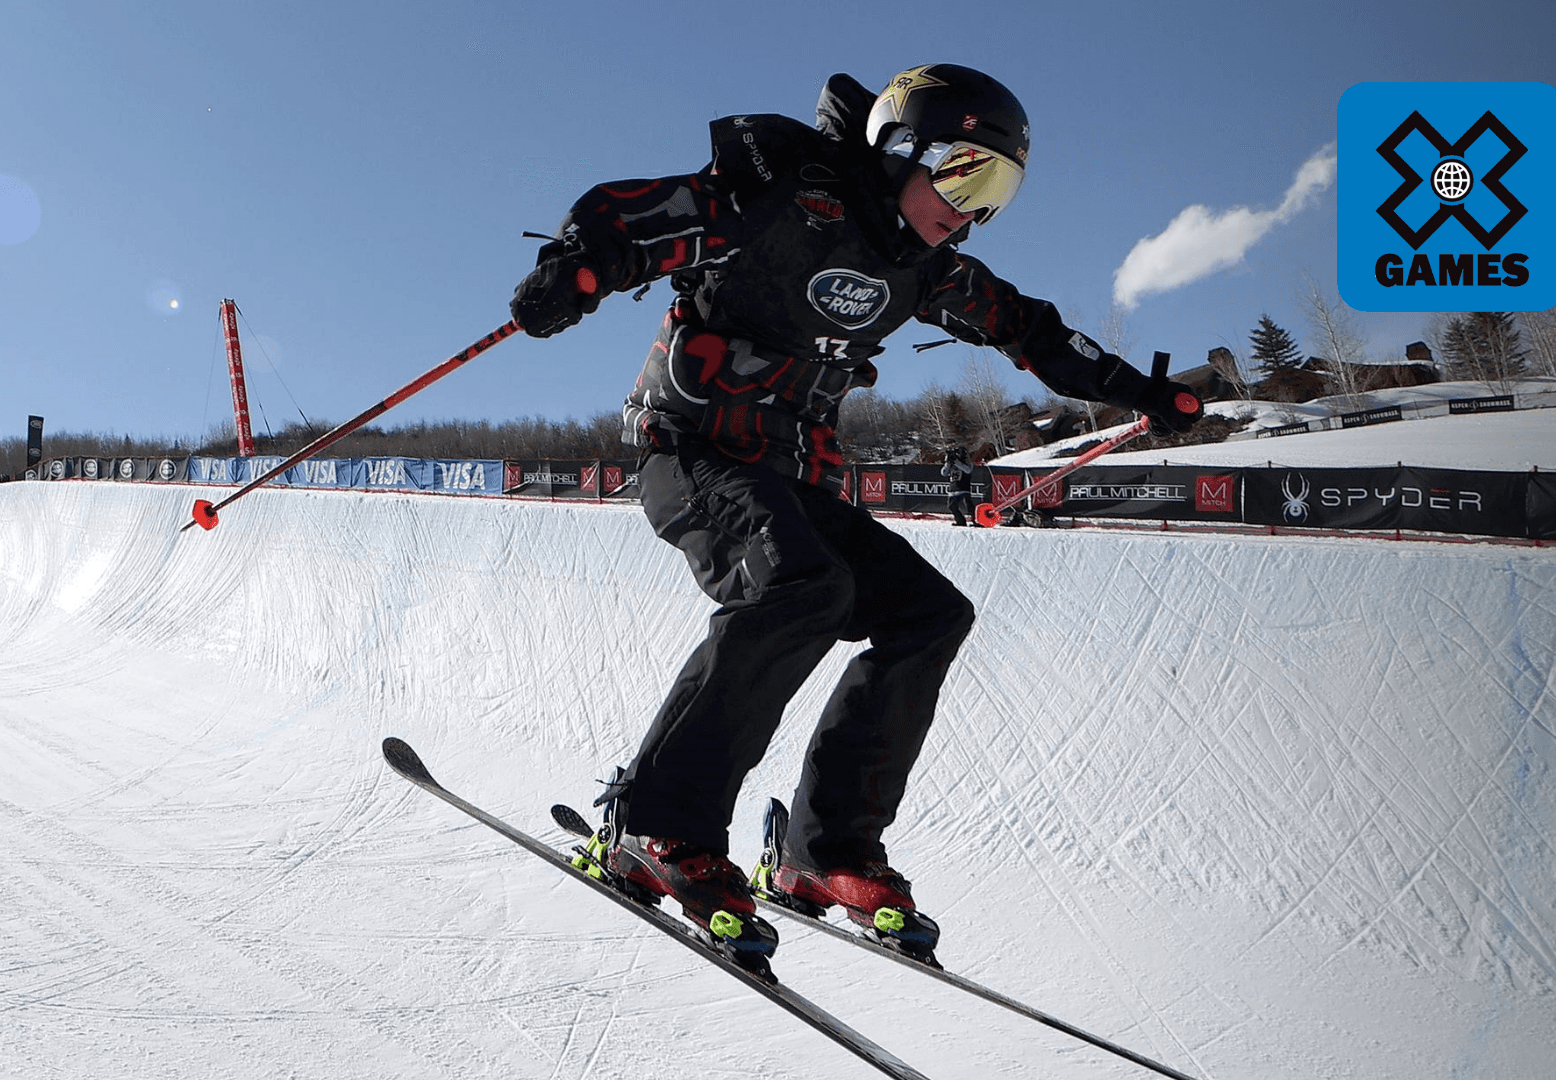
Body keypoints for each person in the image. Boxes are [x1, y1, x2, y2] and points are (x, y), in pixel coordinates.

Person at [510, 64, 1202, 969]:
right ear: (901, 148)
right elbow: (638, 211)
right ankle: (656, 826)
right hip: (692, 452)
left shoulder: (922, 265)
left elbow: (1026, 327)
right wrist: (579, 264)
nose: (971, 210)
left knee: (928, 614)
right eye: (964, 176)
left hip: (791, 477)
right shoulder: (781, 197)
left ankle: (825, 850)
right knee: (803, 587)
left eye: (996, 192)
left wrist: (1135, 388)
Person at [941, 446, 975, 527]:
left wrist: (957, 462)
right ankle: (960, 521)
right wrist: (948, 463)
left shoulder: (967, 462)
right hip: (953, 488)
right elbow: (943, 473)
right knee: (951, 506)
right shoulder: (951, 463)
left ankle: (976, 520)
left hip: (964, 487)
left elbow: (968, 470)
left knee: (968, 506)